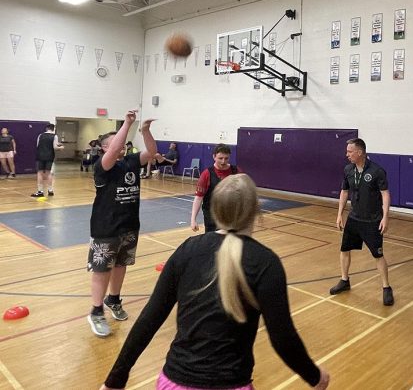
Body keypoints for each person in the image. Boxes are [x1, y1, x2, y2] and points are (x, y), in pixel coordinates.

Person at [100, 174, 330, 390]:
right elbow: (282, 338)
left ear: (215, 209)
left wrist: (115, 379)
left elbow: (150, 318)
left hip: (174, 382)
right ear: (255, 211)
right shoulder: (265, 262)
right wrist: (314, 376)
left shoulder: (188, 250)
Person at [86, 110, 156, 338]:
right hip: (106, 228)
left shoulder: (130, 162)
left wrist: (145, 131)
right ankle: (96, 311)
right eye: (115, 142)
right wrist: (127, 123)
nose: (122, 145)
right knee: (101, 269)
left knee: (120, 265)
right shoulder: (102, 166)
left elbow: (152, 152)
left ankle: (113, 300)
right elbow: (116, 148)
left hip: (129, 225)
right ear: (105, 148)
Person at [330, 138, 394, 306]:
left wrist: (386, 217)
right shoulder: (348, 169)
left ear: (359, 152)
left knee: (378, 255)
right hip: (354, 218)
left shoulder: (377, 171)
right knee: (344, 250)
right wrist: (339, 214)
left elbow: (385, 194)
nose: (347, 155)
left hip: (372, 221)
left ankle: (386, 288)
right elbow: (344, 192)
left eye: (350, 152)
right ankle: (345, 281)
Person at [191, 144, 239, 233]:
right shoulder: (206, 174)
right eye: (220, 158)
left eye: (226, 158)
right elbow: (198, 198)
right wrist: (193, 219)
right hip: (212, 216)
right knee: (214, 244)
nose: (223, 161)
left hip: (231, 215)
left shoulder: (236, 172)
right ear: (214, 157)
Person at [31, 123, 64, 197]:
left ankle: (40, 191)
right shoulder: (54, 136)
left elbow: (38, 145)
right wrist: (61, 148)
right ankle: (50, 190)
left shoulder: (40, 135)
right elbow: (55, 147)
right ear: (53, 129)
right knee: (49, 173)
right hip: (49, 156)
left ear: (46, 128)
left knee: (40, 173)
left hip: (40, 155)